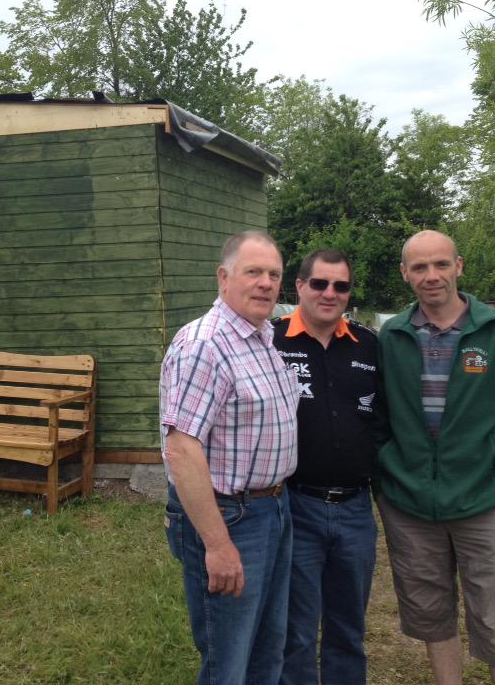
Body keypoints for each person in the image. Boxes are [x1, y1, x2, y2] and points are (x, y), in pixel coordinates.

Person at [375, 230, 495, 685]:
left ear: (459, 266)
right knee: (431, 613)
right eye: (419, 267)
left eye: (440, 264)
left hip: (484, 502)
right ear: (405, 274)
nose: (431, 276)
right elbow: (377, 419)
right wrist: (388, 482)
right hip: (411, 507)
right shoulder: (392, 336)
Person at [160, 230, 300, 685]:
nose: (265, 283)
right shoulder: (205, 344)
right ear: (224, 278)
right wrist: (218, 546)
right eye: (253, 272)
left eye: (273, 274)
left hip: (274, 509)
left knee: (267, 645)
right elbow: (182, 449)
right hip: (231, 517)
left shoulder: (262, 335)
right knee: (229, 659)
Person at [273, 248, 380, 685]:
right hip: (296, 506)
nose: (329, 293)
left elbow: (384, 421)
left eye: (340, 285)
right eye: (319, 283)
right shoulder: (270, 339)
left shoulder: (368, 344)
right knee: (295, 633)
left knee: (348, 629)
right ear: (299, 286)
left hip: (356, 510)